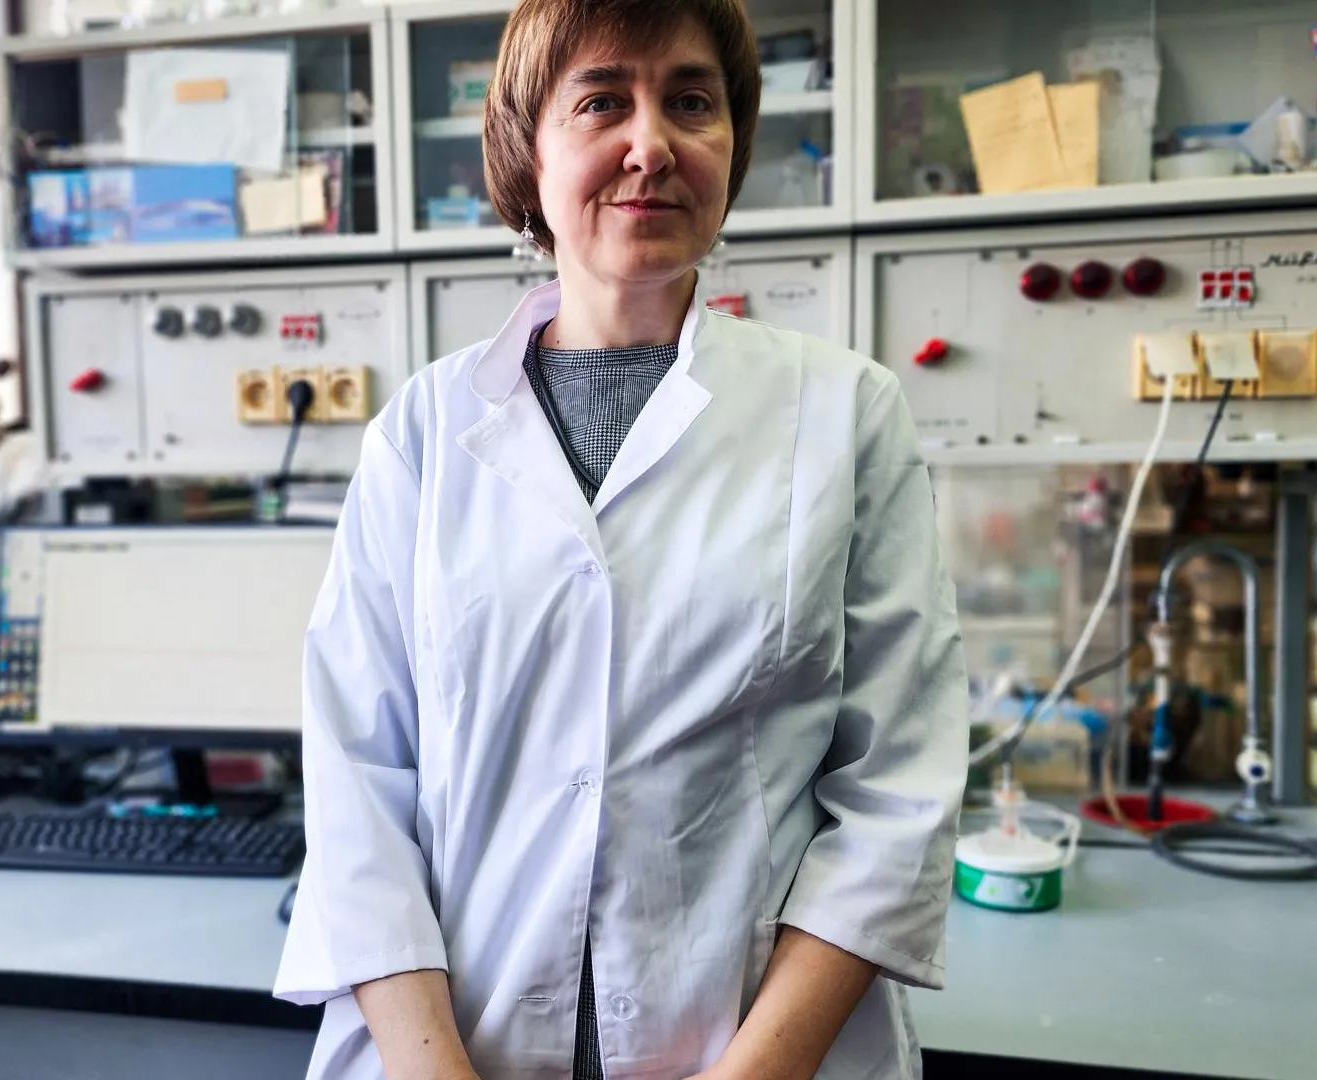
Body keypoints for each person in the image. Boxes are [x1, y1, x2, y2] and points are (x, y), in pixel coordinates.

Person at [273, 1, 967, 1078]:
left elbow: (898, 793)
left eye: (691, 101)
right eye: (602, 102)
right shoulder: (423, 431)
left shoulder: (844, 412)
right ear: (526, 147)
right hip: (454, 1047)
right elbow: (359, 782)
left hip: (758, 1051)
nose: (653, 144)